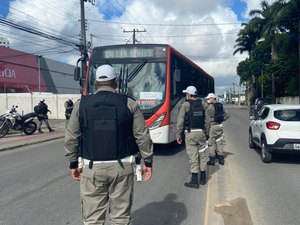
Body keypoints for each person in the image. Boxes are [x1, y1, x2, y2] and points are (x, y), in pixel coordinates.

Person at [64, 64, 153, 225]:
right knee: (120, 218)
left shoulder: (81, 104)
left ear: (96, 82)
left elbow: (71, 137)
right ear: (116, 81)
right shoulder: (129, 103)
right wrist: (148, 162)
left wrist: (72, 163)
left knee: (92, 219)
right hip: (122, 167)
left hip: (91, 169)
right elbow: (142, 136)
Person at [176, 86, 209, 189]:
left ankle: (194, 181)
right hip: (201, 133)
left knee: (193, 156)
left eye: (186, 94)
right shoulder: (203, 104)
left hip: (190, 134)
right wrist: (206, 133)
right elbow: (207, 120)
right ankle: (203, 178)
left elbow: (180, 121)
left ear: (189, 95)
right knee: (203, 154)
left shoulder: (185, 105)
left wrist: (178, 134)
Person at [205, 93, 230, 166]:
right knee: (219, 142)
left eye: (209, 99)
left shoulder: (209, 107)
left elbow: (207, 120)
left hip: (212, 126)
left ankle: (212, 160)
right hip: (220, 126)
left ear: (213, 98)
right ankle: (221, 159)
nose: (208, 100)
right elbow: (227, 115)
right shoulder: (221, 105)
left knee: (211, 143)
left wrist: (207, 130)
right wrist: (222, 120)